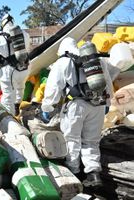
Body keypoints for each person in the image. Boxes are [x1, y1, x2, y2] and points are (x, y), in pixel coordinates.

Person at [41, 37, 115, 188]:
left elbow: (53, 88)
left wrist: (47, 108)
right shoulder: (97, 60)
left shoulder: (63, 62)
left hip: (76, 105)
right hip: (98, 104)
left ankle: (74, 173)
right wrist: (108, 103)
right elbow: (107, 82)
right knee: (91, 140)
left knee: (72, 139)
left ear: (63, 49)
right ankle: (93, 174)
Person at [0, 14, 30, 115]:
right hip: (25, 68)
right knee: (20, 89)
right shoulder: (24, 34)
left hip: (9, 71)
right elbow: (27, 50)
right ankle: (19, 111)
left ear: (3, 24)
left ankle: (11, 120)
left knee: (8, 97)